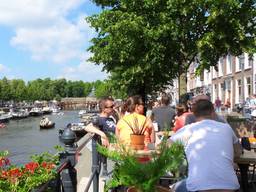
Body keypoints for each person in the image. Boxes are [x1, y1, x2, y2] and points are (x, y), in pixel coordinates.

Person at [170, 99, 241, 192]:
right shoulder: (226, 128)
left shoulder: (189, 129)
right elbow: (238, 152)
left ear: (194, 114)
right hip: (230, 186)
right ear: (213, 112)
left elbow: (164, 148)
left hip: (198, 187)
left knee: (174, 188)